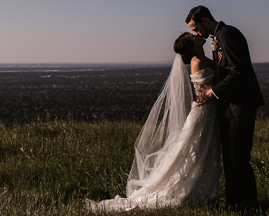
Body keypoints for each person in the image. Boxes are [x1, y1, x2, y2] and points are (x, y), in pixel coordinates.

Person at [86, 33, 221, 212]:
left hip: (209, 113)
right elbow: (213, 86)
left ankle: (201, 191)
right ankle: (190, 191)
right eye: (192, 35)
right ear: (190, 46)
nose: (197, 35)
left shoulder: (202, 58)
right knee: (194, 152)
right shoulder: (198, 61)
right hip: (204, 113)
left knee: (201, 153)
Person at [187, 5, 264, 210]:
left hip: (240, 104)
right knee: (230, 160)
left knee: (239, 159)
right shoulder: (218, 38)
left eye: (196, 28)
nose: (196, 33)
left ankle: (248, 206)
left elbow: (239, 72)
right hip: (229, 106)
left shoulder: (228, 34)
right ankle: (234, 204)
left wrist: (212, 92)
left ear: (204, 20)